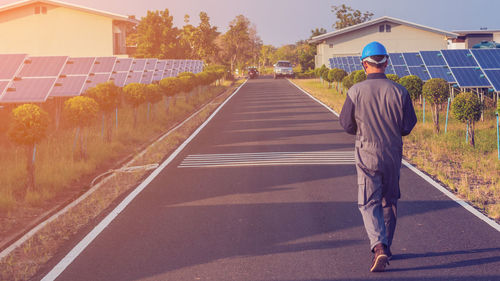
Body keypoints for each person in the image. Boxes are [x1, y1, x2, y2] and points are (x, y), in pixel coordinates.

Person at [339, 41, 417, 272]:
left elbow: (346, 124)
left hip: (367, 152)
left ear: (364, 64)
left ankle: (379, 247)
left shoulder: (355, 91)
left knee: (368, 202)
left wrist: (363, 131)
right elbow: (408, 125)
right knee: (389, 201)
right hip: (392, 152)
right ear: (386, 62)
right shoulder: (401, 91)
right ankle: (387, 246)